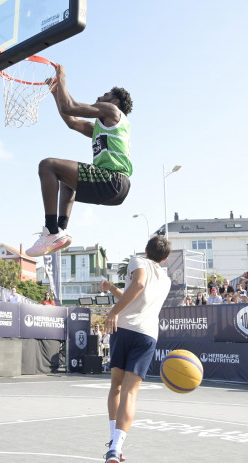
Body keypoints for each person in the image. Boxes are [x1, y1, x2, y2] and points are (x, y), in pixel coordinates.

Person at [26, 65, 133, 257]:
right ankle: (61, 230)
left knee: (47, 165)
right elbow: (72, 121)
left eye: (105, 94)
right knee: (67, 181)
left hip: (112, 179)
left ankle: (51, 231)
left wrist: (62, 78)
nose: (100, 97)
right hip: (117, 187)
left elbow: (70, 106)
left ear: (114, 101)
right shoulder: (104, 127)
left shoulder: (111, 110)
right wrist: (55, 93)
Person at [100, 236, 171, 463]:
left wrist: (113, 312)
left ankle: (113, 443)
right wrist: (112, 288)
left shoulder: (137, 262)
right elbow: (135, 295)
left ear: (145, 250)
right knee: (131, 392)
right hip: (147, 334)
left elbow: (138, 285)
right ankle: (117, 446)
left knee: (116, 387)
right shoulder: (166, 279)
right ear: (166, 257)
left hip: (126, 329)